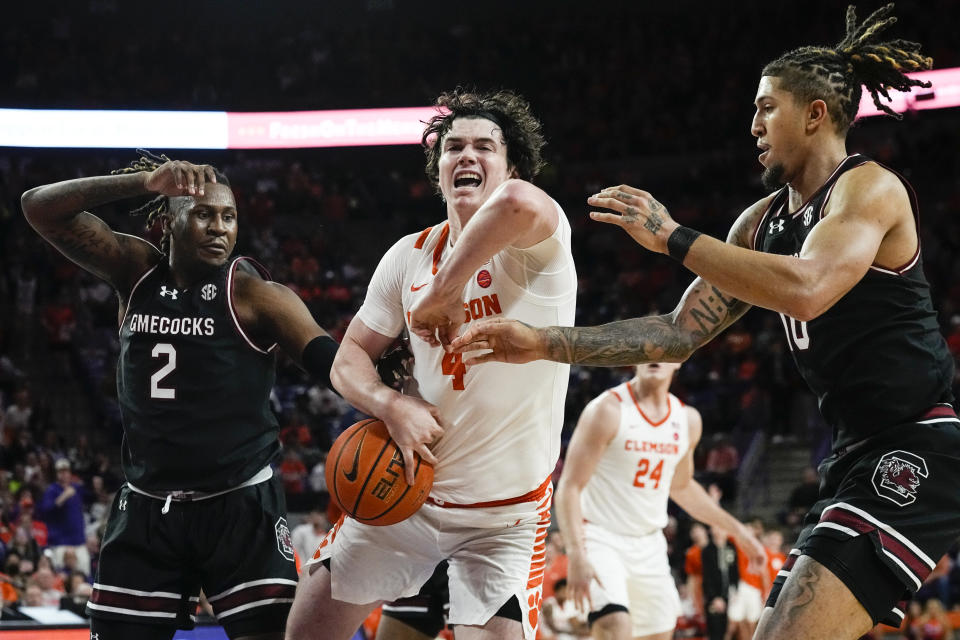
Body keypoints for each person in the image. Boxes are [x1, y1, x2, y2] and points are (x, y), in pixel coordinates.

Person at [450, 6, 959, 640]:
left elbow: (809, 289)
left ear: (815, 114)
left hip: (916, 444)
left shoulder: (869, 189)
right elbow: (677, 331)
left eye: (766, 108)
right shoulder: (761, 222)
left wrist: (671, 236)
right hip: (852, 449)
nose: (753, 125)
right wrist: (544, 343)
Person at [286, 89, 577, 640]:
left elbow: (518, 203)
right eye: (453, 147)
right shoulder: (405, 255)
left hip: (504, 519)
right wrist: (389, 404)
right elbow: (348, 358)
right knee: (306, 628)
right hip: (407, 493)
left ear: (511, 165)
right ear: (438, 170)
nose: (467, 155)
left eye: (484, 147)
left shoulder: (539, 245)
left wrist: (445, 291)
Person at [21, 150, 342, 640]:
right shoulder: (135, 271)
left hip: (240, 504)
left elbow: (333, 363)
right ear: (167, 224)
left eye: (229, 216)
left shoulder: (254, 294)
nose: (219, 227)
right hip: (148, 506)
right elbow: (39, 207)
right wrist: (145, 181)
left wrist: (392, 389)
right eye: (203, 213)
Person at [555, 361, 764, 640]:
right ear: (634, 355)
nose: (655, 355)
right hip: (600, 537)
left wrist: (739, 531)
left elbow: (681, 487)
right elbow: (569, 486)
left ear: (679, 359)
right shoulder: (607, 409)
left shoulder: (687, 419)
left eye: (664, 349)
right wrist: (576, 552)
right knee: (615, 626)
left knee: (659, 634)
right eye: (647, 346)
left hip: (650, 544)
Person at [38, 458, 89, 575]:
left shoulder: (76, 488)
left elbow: (91, 496)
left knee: (84, 574)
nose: (64, 474)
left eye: (66, 471)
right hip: (60, 542)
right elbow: (45, 511)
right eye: (61, 471)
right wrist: (62, 497)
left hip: (79, 541)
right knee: (61, 576)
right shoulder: (52, 490)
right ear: (57, 474)